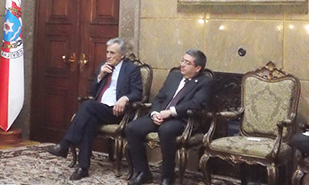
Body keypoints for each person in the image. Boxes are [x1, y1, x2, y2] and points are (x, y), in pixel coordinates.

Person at [47, 37, 143, 180]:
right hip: (98, 109)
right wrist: (100, 76)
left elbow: (138, 92)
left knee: (87, 106)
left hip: (116, 111)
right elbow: (92, 92)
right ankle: (83, 167)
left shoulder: (131, 69)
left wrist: (125, 98)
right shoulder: (103, 66)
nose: (108, 56)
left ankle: (65, 144)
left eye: (112, 53)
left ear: (122, 55)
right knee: (89, 122)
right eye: (107, 52)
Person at [125, 49, 212, 185]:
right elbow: (159, 98)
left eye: (187, 63)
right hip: (161, 115)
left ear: (197, 68)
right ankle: (143, 172)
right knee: (131, 128)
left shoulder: (204, 81)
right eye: (182, 60)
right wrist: (154, 113)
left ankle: (167, 176)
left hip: (182, 119)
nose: (182, 64)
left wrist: (171, 112)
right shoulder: (174, 76)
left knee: (166, 130)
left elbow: (196, 104)